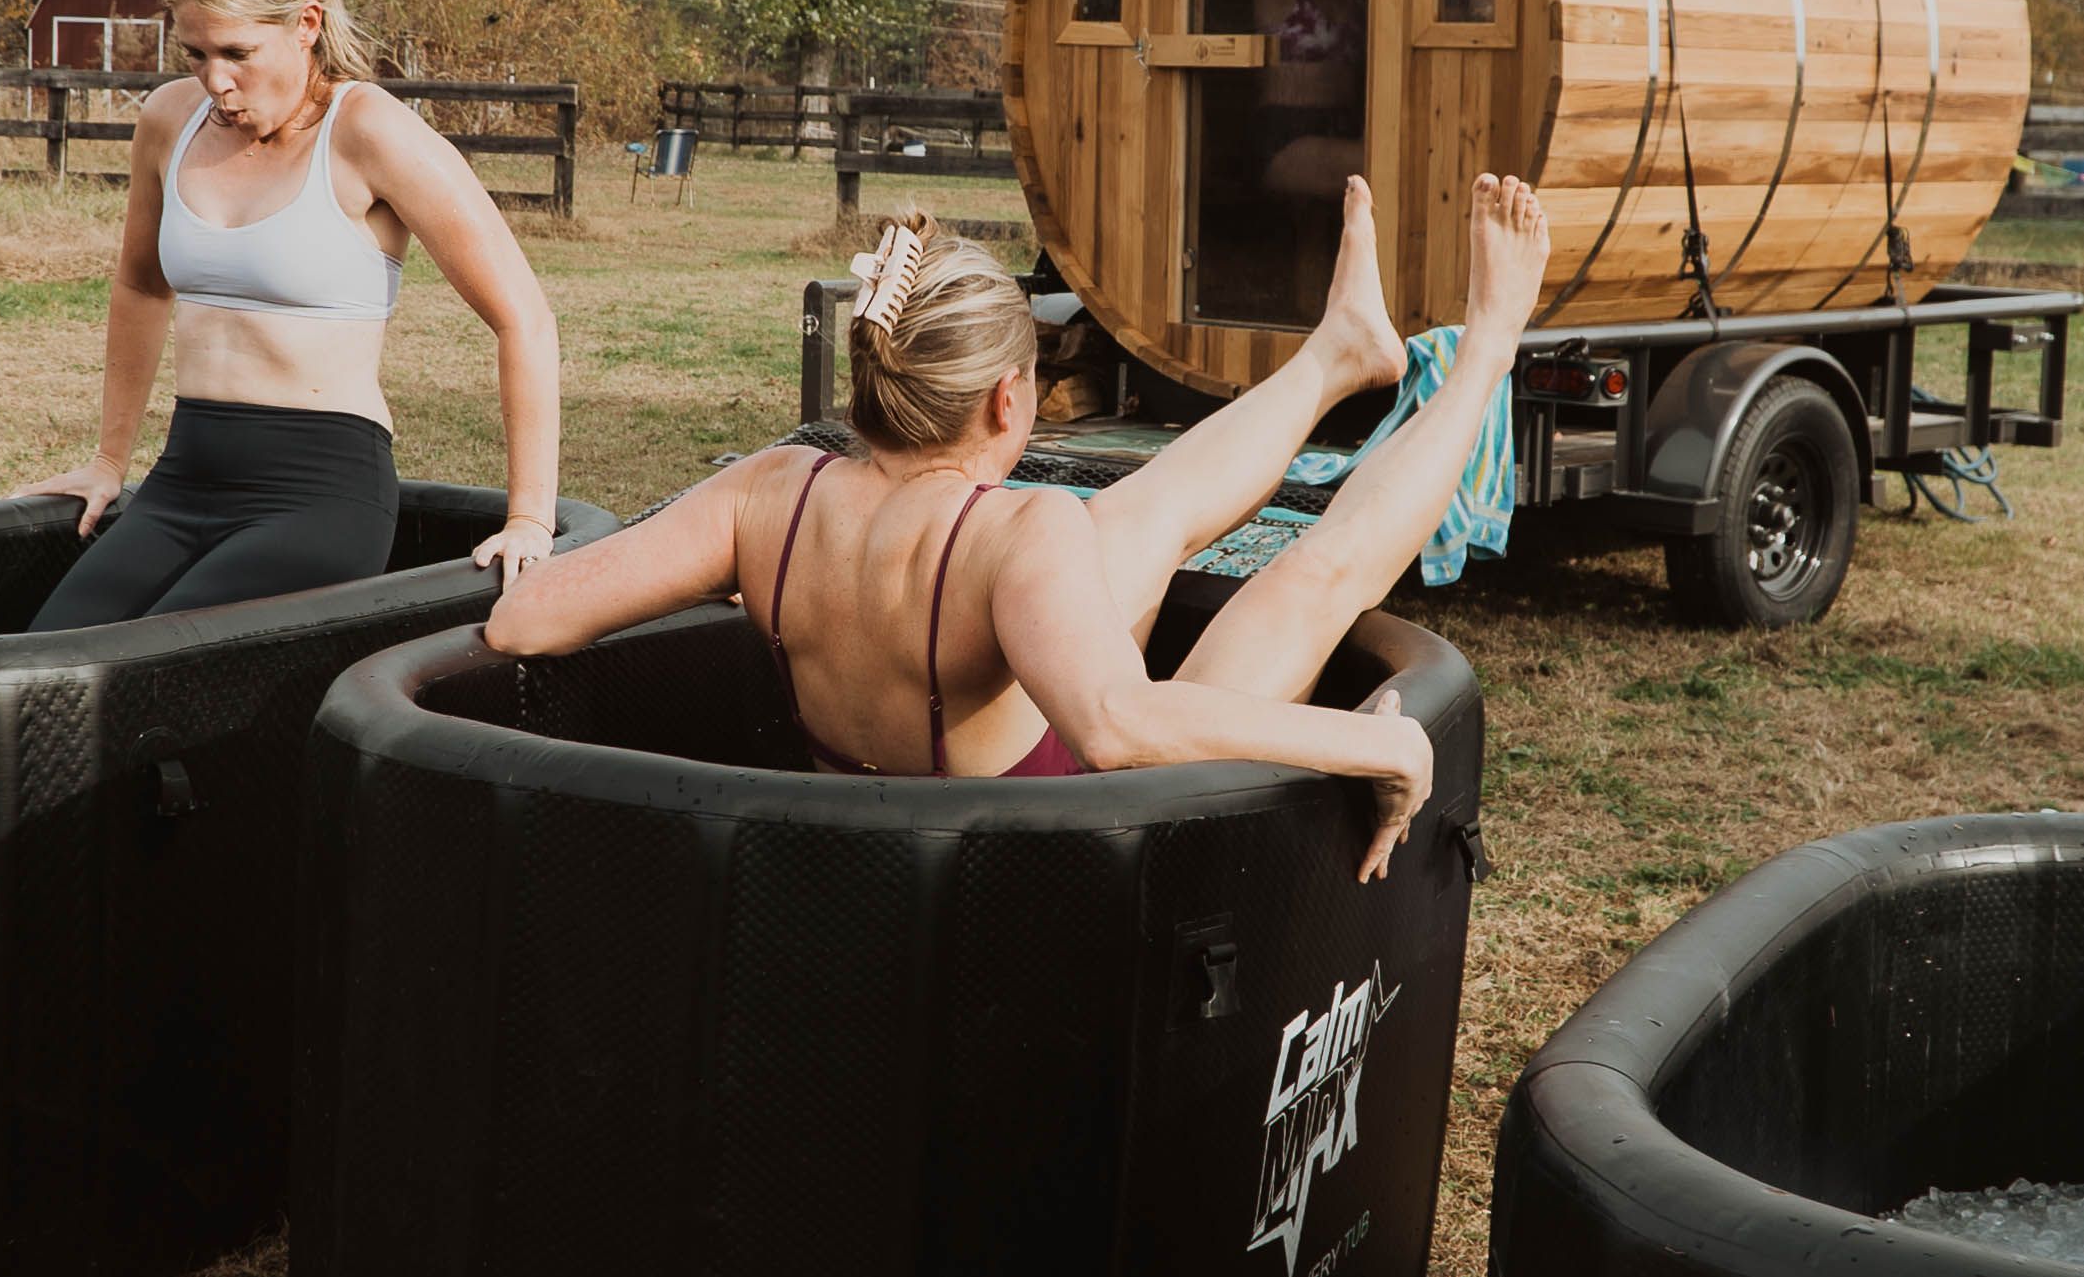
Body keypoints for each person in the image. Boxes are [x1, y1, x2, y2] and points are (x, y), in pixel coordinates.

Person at [488, 172, 1550, 882]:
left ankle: (1338, 353)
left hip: (878, 842)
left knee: (1146, 513)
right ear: (1009, 399)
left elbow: (524, 620)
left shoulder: (767, 491)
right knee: (1314, 573)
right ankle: (1489, 348)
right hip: (1053, 863)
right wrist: (1380, 739)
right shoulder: (1017, 528)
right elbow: (1118, 727)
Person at [14, 0, 561, 630]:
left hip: (319, 494)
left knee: (146, 670)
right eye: (195, 54)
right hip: (183, 480)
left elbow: (522, 316)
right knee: (46, 656)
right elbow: (142, 287)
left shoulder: (368, 130)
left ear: (306, 25)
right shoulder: (167, 120)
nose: (215, 80)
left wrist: (530, 516)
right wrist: (110, 461)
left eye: (238, 52)